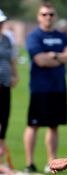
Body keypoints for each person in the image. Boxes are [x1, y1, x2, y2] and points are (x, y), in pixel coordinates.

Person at [23, 2, 67, 173]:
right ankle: (30, 163)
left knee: (54, 126)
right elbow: (40, 61)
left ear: (55, 16)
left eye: (51, 14)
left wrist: (53, 55)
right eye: (44, 14)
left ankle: (51, 162)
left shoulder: (62, 36)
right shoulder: (34, 36)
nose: (48, 17)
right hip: (40, 87)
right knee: (34, 125)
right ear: (39, 17)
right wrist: (61, 57)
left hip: (58, 87)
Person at [0, 9, 19, 166]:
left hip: (5, 83)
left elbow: (12, 59)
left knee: (4, 117)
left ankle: (0, 153)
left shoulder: (7, 39)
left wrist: (15, 75)